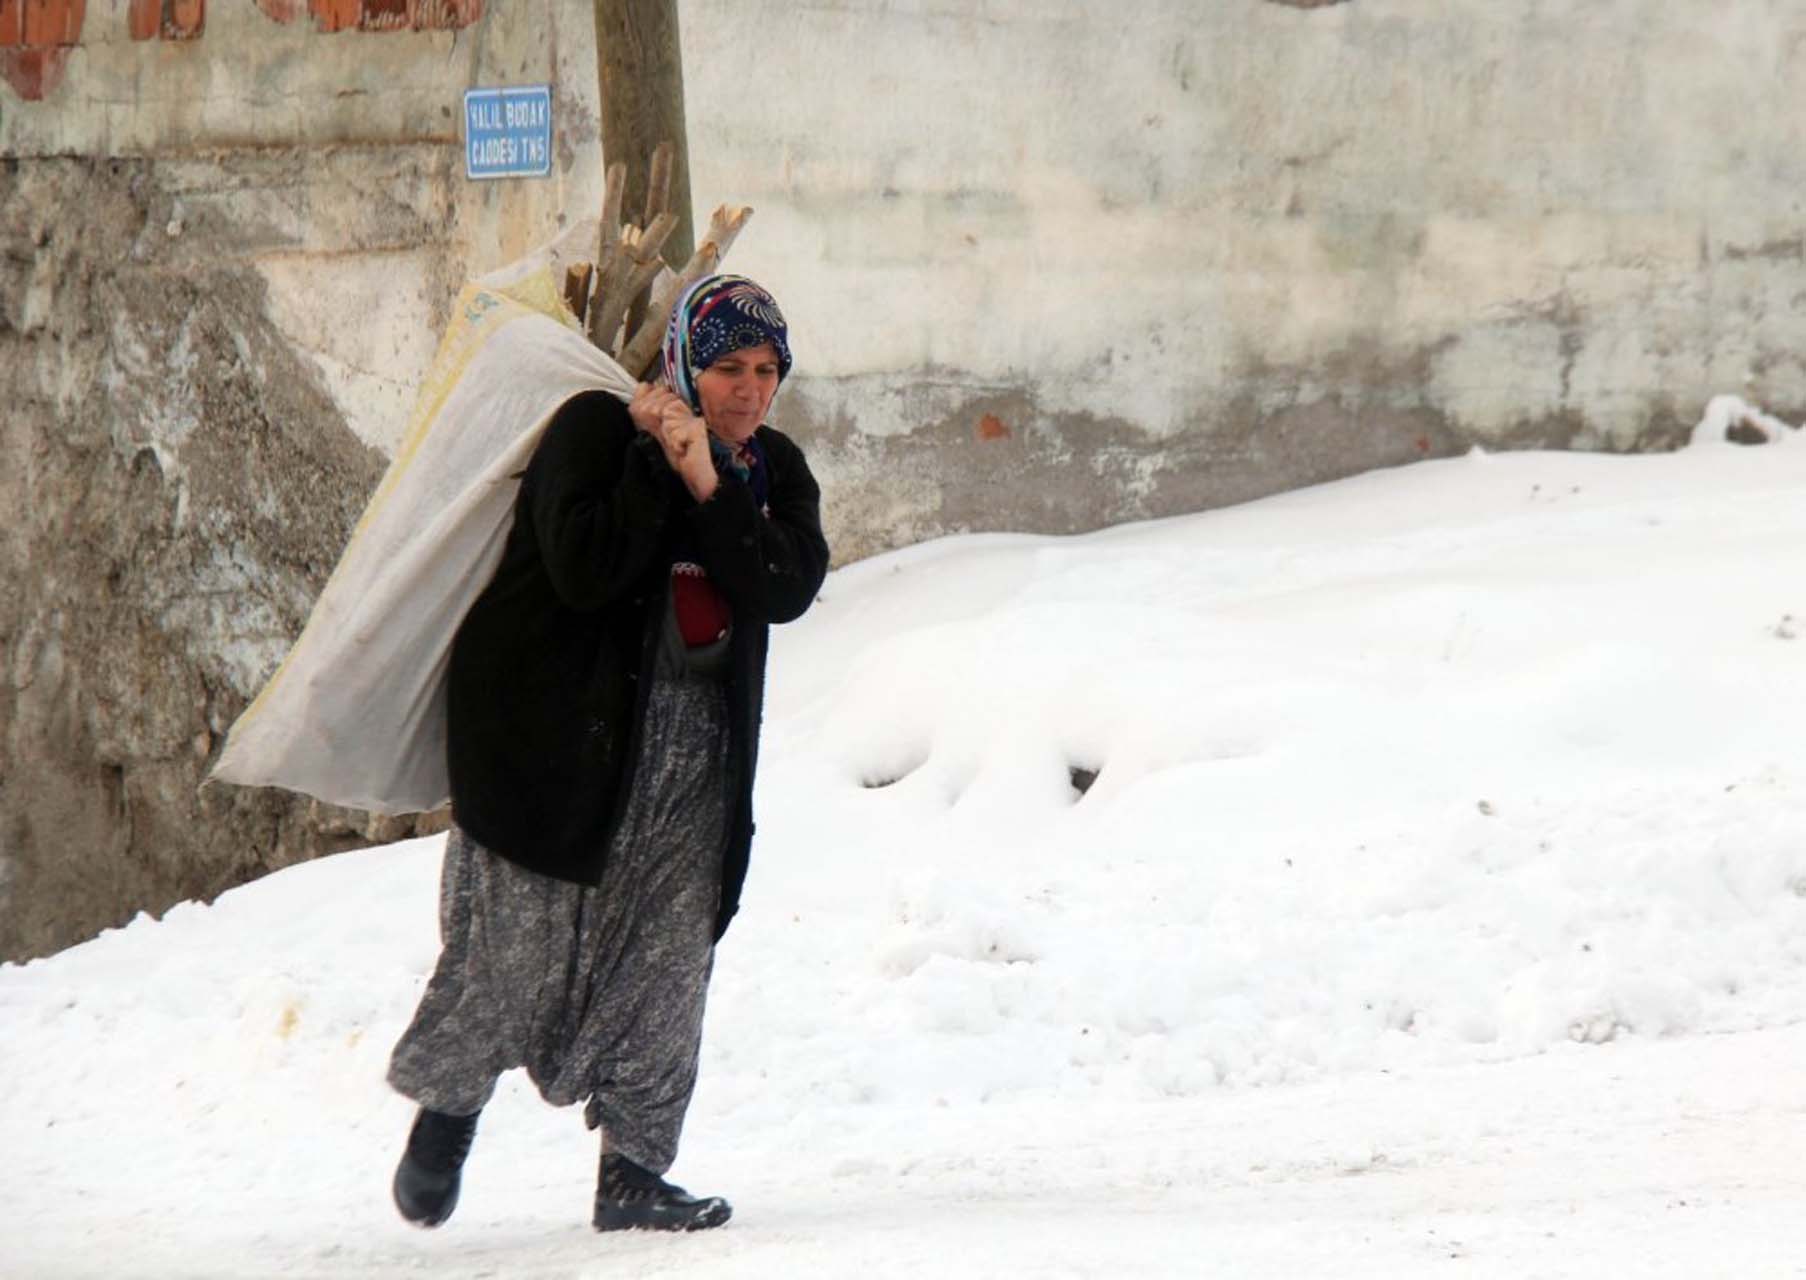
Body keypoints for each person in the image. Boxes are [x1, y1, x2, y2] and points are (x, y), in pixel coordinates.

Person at [385, 274, 829, 1233]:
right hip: (556, 738)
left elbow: (780, 585)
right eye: (725, 368)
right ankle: (450, 1111)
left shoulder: (771, 473)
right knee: (513, 951)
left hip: (693, 758)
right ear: (682, 363)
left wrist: (708, 476)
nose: (749, 391)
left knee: (669, 961)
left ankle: (633, 1172)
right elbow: (586, 570)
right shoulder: (593, 431)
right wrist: (656, 460)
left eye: (765, 371)